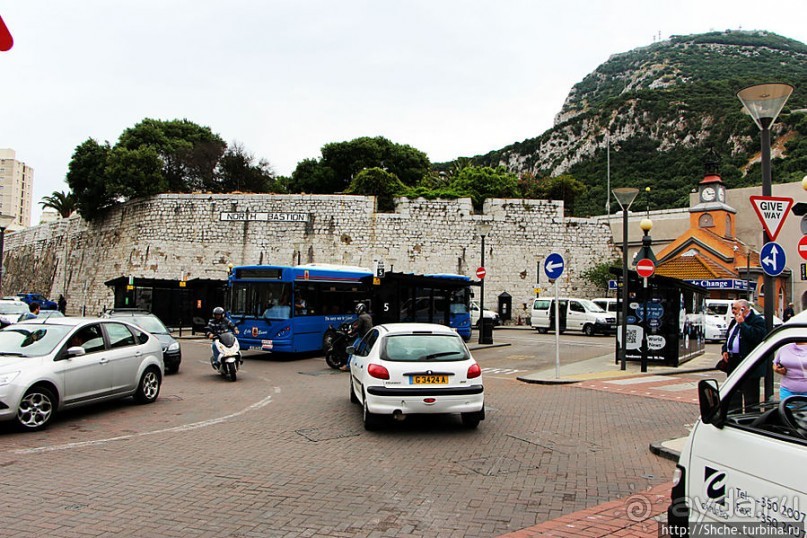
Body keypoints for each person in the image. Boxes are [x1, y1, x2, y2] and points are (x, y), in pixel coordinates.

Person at [720, 298, 767, 408]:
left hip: (748, 363)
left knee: (750, 397)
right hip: (733, 361)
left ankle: (748, 421)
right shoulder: (734, 321)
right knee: (733, 393)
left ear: (744, 309)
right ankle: (734, 415)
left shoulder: (757, 321)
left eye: (735, 308)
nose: (733, 311)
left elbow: (755, 337)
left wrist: (742, 323)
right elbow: (728, 338)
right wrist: (725, 350)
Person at [340, 302, 373, 371]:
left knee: (352, 350)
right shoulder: (368, 316)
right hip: (369, 336)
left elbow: (359, 328)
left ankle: (348, 366)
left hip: (362, 337)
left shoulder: (361, 317)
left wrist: (351, 331)